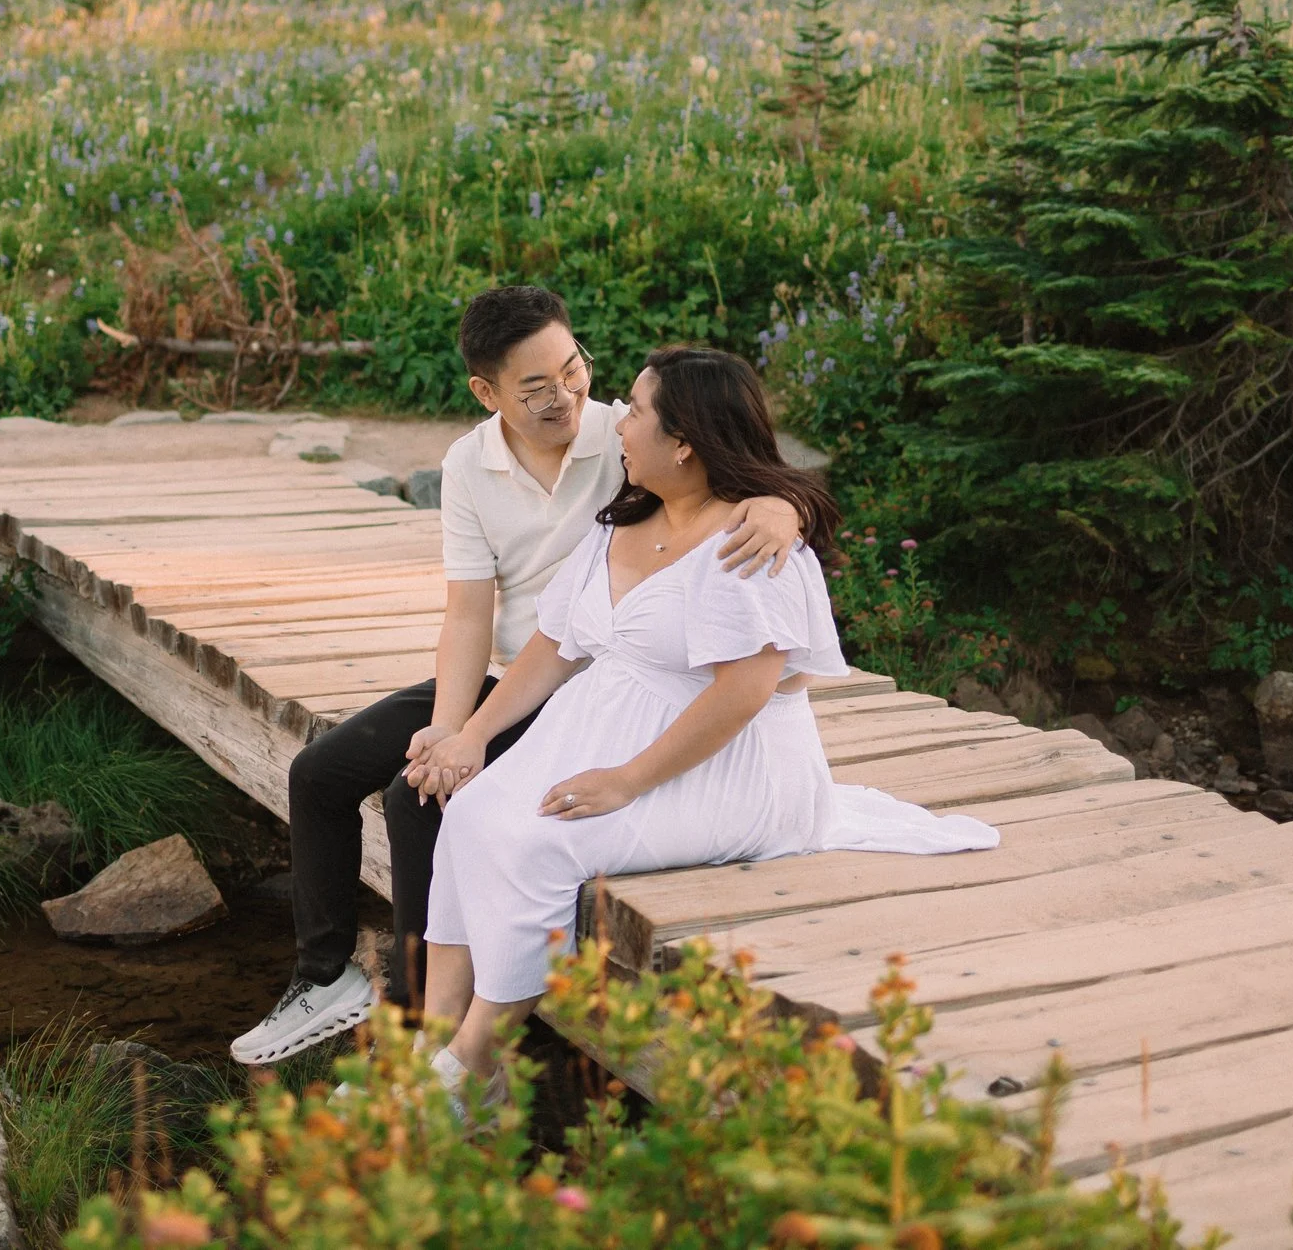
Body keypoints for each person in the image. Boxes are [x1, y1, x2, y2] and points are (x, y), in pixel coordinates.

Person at [229, 290, 804, 1066]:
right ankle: (324, 977)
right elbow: (470, 610)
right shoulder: (471, 462)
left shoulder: (630, 434)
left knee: (418, 798)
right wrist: (456, 725)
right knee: (321, 771)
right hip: (522, 671)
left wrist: (783, 505)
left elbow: (730, 462)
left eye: (574, 370)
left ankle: (421, 1019)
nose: (564, 396)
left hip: (604, 688)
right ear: (487, 392)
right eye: (536, 387)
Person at [408, 347, 1000, 1097]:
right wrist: (474, 733)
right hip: (599, 732)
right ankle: (426, 1045)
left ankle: (470, 1072)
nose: (619, 419)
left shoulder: (748, 543)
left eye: (639, 409)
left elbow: (743, 693)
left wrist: (626, 781)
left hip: (726, 769)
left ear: (684, 441)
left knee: (536, 844)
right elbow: (554, 647)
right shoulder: (624, 518)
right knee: (473, 815)